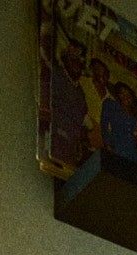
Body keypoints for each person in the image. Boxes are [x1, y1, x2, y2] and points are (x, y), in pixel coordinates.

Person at [47, 36, 88, 169]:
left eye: (80, 60)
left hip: (70, 148)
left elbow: (81, 122)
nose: (77, 63)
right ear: (65, 59)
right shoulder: (55, 75)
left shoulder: (80, 93)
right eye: (73, 58)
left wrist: (79, 142)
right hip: (53, 140)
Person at [100, 78, 137, 162]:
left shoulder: (136, 117)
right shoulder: (111, 105)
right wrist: (108, 145)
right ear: (118, 94)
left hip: (134, 155)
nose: (125, 96)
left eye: (128, 94)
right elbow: (104, 125)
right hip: (117, 149)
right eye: (122, 93)